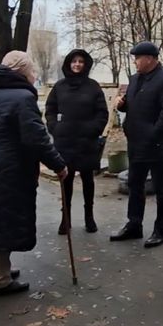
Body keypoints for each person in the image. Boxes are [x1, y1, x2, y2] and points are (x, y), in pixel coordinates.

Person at [0, 51, 69, 296]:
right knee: (3, 221)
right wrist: (58, 165)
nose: (34, 74)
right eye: (31, 69)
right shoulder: (22, 99)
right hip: (8, 169)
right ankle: (0, 279)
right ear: (23, 72)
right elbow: (37, 138)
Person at [110, 41, 163, 249]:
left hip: (156, 145)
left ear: (149, 58)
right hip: (136, 143)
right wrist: (123, 105)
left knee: (161, 189)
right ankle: (134, 224)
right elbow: (134, 105)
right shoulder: (135, 79)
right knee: (135, 184)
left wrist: (154, 134)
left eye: (137, 58)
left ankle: (160, 230)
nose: (135, 62)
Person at [45, 49, 109, 234]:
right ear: (68, 64)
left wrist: (94, 129)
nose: (77, 64)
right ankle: (65, 219)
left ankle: (89, 217)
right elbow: (50, 109)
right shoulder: (59, 87)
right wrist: (54, 127)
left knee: (88, 180)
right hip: (64, 141)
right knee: (66, 179)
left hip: (86, 141)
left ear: (86, 64)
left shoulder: (93, 87)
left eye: (81, 61)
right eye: (74, 61)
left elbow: (102, 113)